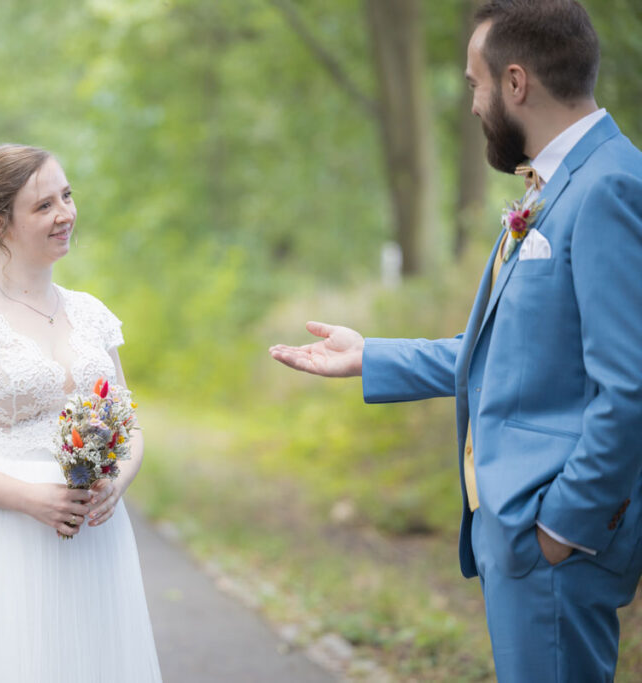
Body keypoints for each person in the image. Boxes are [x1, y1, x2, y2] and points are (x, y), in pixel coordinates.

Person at [270, 1, 642, 680]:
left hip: (557, 543)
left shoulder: (608, 186)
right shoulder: (557, 183)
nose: (472, 104)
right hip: (524, 541)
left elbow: (630, 387)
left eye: (476, 83)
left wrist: (562, 528)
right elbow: (512, 351)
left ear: (516, 83)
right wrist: (369, 356)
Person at [0, 144, 162, 682]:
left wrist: (119, 481)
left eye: (66, 196)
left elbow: (127, 421)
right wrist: (32, 499)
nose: (65, 214)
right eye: (44, 206)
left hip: (93, 541)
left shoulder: (91, 314)